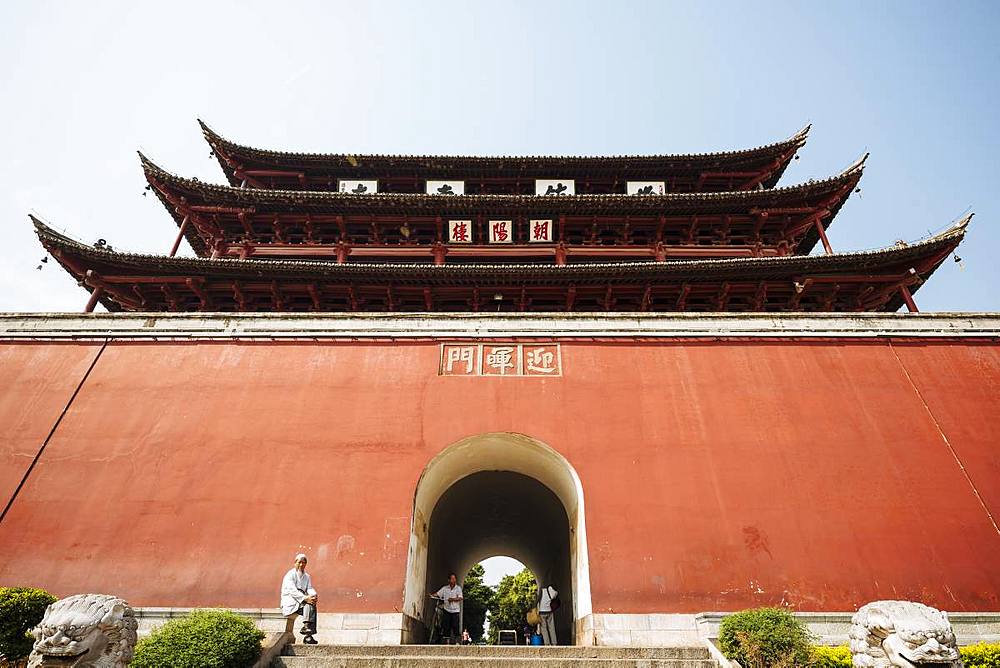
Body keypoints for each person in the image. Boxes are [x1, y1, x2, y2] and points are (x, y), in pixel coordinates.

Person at [281, 553, 319, 644]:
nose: (301, 565)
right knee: (308, 604)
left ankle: (308, 634)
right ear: (295, 563)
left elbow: (309, 588)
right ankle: (307, 631)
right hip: (291, 601)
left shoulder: (307, 576)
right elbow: (292, 590)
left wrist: (313, 595)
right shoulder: (290, 575)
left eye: (303, 563)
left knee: (312, 605)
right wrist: (305, 598)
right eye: (299, 562)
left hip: (301, 602)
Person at [430, 573, 463, 643]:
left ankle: (457, 642)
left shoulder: (458, 588)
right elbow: (438, 594)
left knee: (455, 625)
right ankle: (447, 642)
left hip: (455, 610)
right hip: (447, 609)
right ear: (449, 580)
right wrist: (432, 595)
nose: (454, 580)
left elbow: (460, 598)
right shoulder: (445, 588)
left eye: (454, 578)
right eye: (452, 579)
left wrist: (453, 599)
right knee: (446, 626)